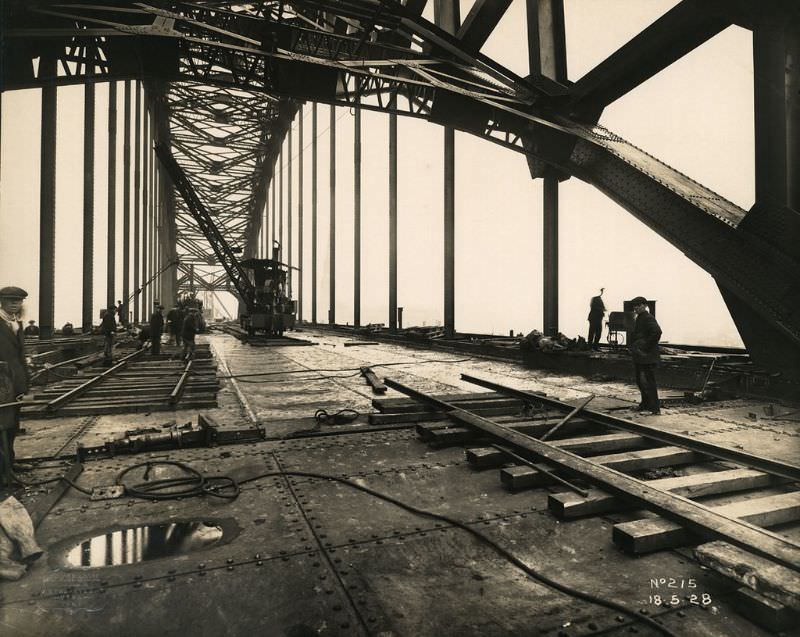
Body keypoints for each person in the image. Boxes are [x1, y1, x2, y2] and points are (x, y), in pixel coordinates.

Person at [0, 286, 30, 477]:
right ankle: (3, 470)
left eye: (18, 301)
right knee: (2, 425)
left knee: (12, 425)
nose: (15, 304)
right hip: (1, 382)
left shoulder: (16, 324)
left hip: (15, 382)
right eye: (11, 300)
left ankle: (9, 463)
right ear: (1, 301)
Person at [629, 296, 662, 415]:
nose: (635, 307)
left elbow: (657, 332)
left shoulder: (648, 317)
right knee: (640, 381)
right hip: (641, 356)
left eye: (638, 305)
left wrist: (645, 346)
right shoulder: (640, 317)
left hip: (647, 356)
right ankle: (645, 404)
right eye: (634, 305)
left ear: (645, 305)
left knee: (648, 381)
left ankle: (654, 408)